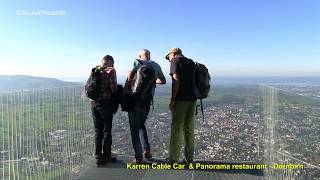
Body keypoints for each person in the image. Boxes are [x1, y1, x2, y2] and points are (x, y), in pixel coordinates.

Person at [128, 49, 166, 163]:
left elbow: (130, 76)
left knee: (134, 129)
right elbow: (163, 81)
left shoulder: (137, 62)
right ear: (149, 56)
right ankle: (147, 150)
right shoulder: (156, 65)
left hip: (134, 100)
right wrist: (152, 81)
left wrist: (127, 90)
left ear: (140, 55)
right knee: (141, 125)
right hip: (147, 101)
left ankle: (139, 157)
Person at [166, 48, 197, 164]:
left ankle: (173, 159)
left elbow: (176, 80)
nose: (169, 60)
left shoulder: (175, 60)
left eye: (168, 57)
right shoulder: (191, 62)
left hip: (181, 100)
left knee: (176, 129)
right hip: (192, 99)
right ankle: (189, 159)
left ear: (173, 54)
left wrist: (173, 99)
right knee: (189, 129)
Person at [90, 55, 118, 166]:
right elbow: (113, 88)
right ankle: (107, 157)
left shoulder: (96, 70)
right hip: (105, 104)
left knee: (98, 131)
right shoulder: (111, 71)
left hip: (93, 104)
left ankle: (98, 156)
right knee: (107, 131)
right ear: (112, 63)